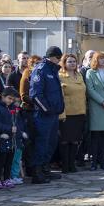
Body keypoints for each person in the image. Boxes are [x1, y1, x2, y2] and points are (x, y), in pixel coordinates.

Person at [29, 46, 65, 184]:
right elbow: (36, 95)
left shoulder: (52, 69)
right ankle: (37, 173)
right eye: (58, 58)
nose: (59, 61)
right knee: (41, 143)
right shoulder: (41, 69)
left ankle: (45, 168)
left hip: (53, 114)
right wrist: (47, 109)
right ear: (52, 57)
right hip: (43, 114)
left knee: (51, 142)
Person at [0, 87, 26, 190]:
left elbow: (15, 121)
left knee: (9, 161)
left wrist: (19, 132)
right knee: (1, 161)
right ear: (3, 96)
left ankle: (7, 178)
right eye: (9, 98)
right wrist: (9, 129)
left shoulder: (11, 108)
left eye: (12, 99)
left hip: (11, 138)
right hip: (1, 138)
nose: (11, 101)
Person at [58, 54, 87, 173]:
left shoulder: (79, 75)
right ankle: (65, 165)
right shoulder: (60, 76)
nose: (72, 63)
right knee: (65, 140)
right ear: (64, 63)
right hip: (67, 113)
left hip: (79, 112)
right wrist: (61, 113)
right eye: (69, 61)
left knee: (75, 140)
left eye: (74, 61)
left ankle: (72, 164)